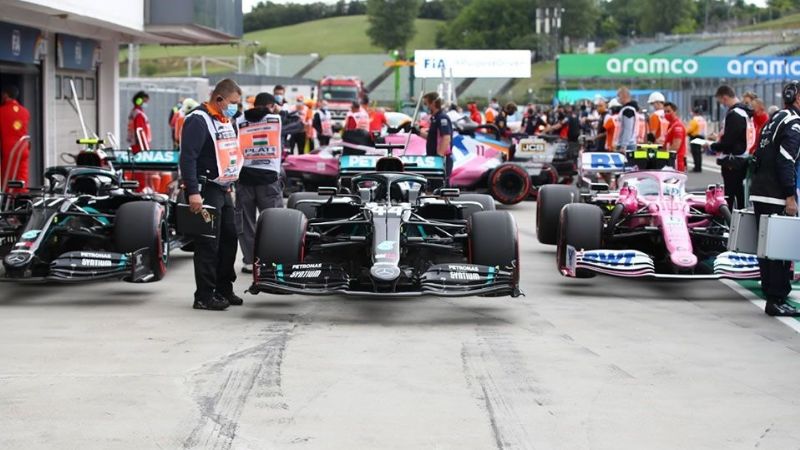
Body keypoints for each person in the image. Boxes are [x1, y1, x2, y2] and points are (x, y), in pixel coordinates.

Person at [179, 78, 245, 311]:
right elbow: (188, 158)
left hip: (224, 188)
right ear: (219, 99)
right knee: (209, 243)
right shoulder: (198, 120)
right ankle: (204, 295)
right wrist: (193, 192)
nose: (236, 107)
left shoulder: (227, 120)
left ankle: (223, 288)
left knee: (229, 238)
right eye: (233, 102)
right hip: (205, 189)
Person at [748, 81, 800, 317]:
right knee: (779, 249)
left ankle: (772, 292)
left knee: (766, 248)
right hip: (776, 194)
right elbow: (785, 159)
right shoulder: (795, 123)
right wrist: (790, 195)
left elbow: (758, 154)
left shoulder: (776, 118)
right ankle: (777, 299)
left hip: (760, 190)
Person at [236, 92, 284, 275]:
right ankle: (273, 262)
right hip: (269, 179)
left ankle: (250, 261)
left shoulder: (239, 121)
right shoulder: (276, 120)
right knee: (273, 222)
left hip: (245, 178)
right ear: (271, 106)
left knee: (246, 223)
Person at [706, 85, 755, 209]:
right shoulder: (745, 112)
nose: (722, 104)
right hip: (742, 156)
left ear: (725, 98)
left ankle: (730, 223)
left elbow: (729, 141)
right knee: (739, 192)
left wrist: (713, 146)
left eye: (721, 101)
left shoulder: (735, 114)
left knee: (731, 194)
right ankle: (739, 222)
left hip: (732, 160)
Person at [419, 92, 453, 186]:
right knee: (431, 187)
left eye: (426, 104)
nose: (425, 106)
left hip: (440, 159)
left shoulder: (442, 118)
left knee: (441, 188)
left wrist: (439, 156)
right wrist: (417, 132)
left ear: (433, 103)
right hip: (432, 158)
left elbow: (446, 137)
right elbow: (432, 138)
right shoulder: (434, 118)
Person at [0, 85, 30, 189]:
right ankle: (22, 201)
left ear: (6, 95)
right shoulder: (25, 111)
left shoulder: (1, 111)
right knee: (22, 178)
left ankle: (8, 203)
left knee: (8, 181)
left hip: (10, 151)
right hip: (23, 149)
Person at [663, 102, 687, 172]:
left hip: (676, 160)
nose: (666, 114)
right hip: (672, 159)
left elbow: (676, 146)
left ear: (675, 111)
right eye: (665, 112)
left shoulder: (677, 126)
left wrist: (664, 155)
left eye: (668, 111)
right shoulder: (671, 125)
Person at [615, 87, 640, 152]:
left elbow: (628, 128)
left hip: (627, 145)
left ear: (624, 95)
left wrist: (624, 145)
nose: (617, 98)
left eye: (618, 96)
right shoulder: (630, 109)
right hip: (629, 143)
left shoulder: (628, 110)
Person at [686, 107, 707, 172]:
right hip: (702, 137)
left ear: (695, 113)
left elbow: (690, 129)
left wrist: (686, 133)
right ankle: (699, 167)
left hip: (694, 137)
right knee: (699, 153)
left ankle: (696, 168)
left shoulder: (694, 120)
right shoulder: (703, 120)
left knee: (695, 153)